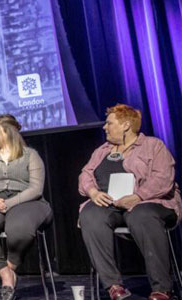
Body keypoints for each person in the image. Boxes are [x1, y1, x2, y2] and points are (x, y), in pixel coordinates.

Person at [78, 104, 182, 300]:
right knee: (90, 215)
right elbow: (86, 174)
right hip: (112, 204)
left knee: (141, 215)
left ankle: (162, 288)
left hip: (151, 203)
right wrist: (92, 192)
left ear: (126, 125)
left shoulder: (153, 145)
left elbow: (164, 179)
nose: (104, 127)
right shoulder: (103, 150)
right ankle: (114, 286)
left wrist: (138, 197)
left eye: (109, 123)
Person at [0, 114, 51, 300]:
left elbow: (36, 188)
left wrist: (10, 203)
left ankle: (10, 266)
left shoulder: (30, 155)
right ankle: (6, 275)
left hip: (26, 201)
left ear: (8, 131)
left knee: (20, 229)